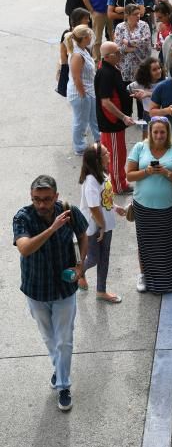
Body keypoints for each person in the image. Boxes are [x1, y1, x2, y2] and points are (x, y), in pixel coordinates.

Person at [13, 175, 89, 412]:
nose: (41, 205)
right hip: (36, 290)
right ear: (31, 198)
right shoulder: (23, 216)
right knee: (50, 339)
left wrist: (80, 265)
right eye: (37, 200)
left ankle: (64, 385)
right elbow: (25, 248)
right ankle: (60, 369)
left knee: (64, 340)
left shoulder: (69, 211)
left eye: (46, 199)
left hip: (64, 289)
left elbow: (84, 235)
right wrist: (52, 228)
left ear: (55, 197)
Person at [127, 116, 172, 294]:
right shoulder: (139, 148)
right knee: (145, 242)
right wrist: (147, 171)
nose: (159, 135)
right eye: (156, 132)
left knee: (167, 244)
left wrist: (166, 173)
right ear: (150, 133)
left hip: (167, 206)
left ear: (167, 133)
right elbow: (129, 176)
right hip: (143, 205)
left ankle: (169, 280)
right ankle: (144, 275)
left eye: (162, 132)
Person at [78, 143, 126, 302]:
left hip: (105, 224)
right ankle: (77, 271)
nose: (109, 154)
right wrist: (102, 225)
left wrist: (115, 207)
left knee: (104, 257)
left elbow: (104, 199)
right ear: (98, 160)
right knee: (94, 258)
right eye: (106, 153)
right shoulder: (91, 180)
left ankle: (101, 291)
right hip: (94, 227)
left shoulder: (102, 174)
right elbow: (93, 207)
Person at [94, 41, 135, 195]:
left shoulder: (109, 68)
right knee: (116, 155)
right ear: (108, 57)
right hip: (112, 123)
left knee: (114, 153)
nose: (120, 54)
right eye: (117, 52)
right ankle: (118, 185)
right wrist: (123, 117)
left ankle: (116, 180)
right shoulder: (105, 73)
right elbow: (106, 102)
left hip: (113, 122)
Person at [65, 24, 100, 156]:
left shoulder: (83, 49)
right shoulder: (77, 55)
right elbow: (76, 78)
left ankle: (99, 139)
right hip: (81, 94)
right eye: (90, 36)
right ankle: (79, 147)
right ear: (85, 38)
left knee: (93, 118)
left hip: (88, 91)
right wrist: (83, 95)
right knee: (80, 121)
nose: (91, 38)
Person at [113, 4, 152, 95]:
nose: (138, 16)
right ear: (127, 15)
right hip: (125, 68)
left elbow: (146, 41)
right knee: (126, 97)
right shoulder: (120, 27)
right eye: (135, 14)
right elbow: (117, 47)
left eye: (139, 13)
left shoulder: (144, 25)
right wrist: (129, 48)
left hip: (141, 67)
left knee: (141, 96)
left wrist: (129, 43)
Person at [57, 8, 92, 98]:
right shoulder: (68, 34)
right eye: (86, 18)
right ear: (79, 19)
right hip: (72, 65)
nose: (88, 20)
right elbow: (62, 52)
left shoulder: (86, 31)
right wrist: (64, 69)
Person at [127, 56, 164, 136]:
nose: (158, 71)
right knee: (146, 142)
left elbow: (165, 96)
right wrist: (138, 97)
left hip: (163, 115)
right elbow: (128, 88)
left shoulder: (166, 82)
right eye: (154, 70)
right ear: (147, 72)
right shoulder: (140, 84)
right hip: (147, 115)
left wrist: (147, 94)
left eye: (159, 68)